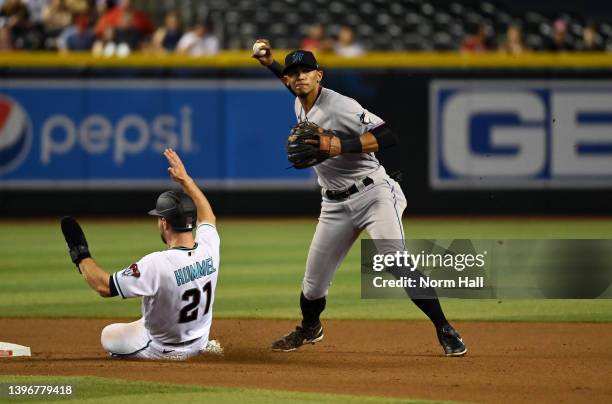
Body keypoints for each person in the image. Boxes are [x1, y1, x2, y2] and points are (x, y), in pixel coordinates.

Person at [252, 41, 467, 356]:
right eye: (293, 73)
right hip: (334, 204)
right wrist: (270, 63)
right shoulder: (300, 101)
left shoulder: (341, 106)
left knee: (395, 261)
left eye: (306, 71)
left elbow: (388, 136)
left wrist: (343, 145)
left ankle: (445, 328)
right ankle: (310, 329)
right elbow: (294, 88)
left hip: (374, 193)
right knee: (312, 287)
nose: (299, 77)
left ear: (319, 75)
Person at [60, 149, 222, 360]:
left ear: (164, 222)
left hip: (163, 349)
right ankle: (203, 346)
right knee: (147, 319)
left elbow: (104, 286)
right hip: (199, 340)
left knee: (108, 335)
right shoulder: (209, 248)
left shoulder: (158, 263)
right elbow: (207, 216)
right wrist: (186, 180)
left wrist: (80, 254)